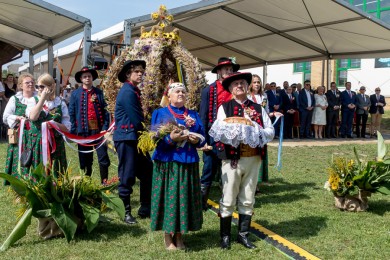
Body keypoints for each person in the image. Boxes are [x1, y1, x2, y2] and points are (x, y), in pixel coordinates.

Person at [209, 72, 274, 250]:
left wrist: (255, 127)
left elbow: (269, 132)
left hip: (252, 158)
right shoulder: (225, 107)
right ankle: (225, 237)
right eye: (236, 84)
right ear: (230, 88)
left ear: (248, 86)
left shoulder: (258, 108)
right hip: (232, 159)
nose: (240, 86)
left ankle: (243, 235)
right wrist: (238, 128)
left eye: (243, 83)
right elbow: (219, 131)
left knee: (248, 198)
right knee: (228, 198)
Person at [150, 82, 204, 250]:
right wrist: (171, 139)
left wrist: (196, 138)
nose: (181, 94)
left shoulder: (193, 114)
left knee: (183, 198)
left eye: (183, 91)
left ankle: (179, 235)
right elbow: (154, 140)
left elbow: (202, 136)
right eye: (177, 91)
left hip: (187, 160)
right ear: (169, 95)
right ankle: (167, 236)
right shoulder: (160, 113)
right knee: (168, 198)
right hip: (167, 161)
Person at [113, 60, 153, 224]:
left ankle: (145, 206)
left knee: (147, 170)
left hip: (134, 137)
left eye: (141, 72)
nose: (140, 74)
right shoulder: (128, 91)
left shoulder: (133, 90)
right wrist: (150, 134)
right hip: (127, 137)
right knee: (127, 174)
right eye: (137, 72)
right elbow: (137, 119)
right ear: (128, 74)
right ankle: (125, 211)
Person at [199, 57, 238, 211]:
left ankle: (227, 200)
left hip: (231, 135)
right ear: (219, 71)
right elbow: (202, 116)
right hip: (212, 135)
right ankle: (201, 201)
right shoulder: (209, 89)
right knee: (209, 168)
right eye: (226, 69)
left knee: (229, 169)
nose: (229, 71)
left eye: (231, 69)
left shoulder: (235, 89)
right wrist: (203, 141)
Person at [68, 67, 110, 182]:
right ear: (81, 79)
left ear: (92, 78)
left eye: (89, 76)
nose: (87, 78)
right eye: (85, 76)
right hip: (83, 132)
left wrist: (105, 128)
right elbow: (71, 112)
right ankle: (87, 181)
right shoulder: (75, 94)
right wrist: (74, 129)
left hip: (98, 132)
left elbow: (106, 111)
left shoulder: (99, 93)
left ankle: (104, 183)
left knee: (103, 158)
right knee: (85, 159)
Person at [27, 73, 71, 176]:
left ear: (51, 86)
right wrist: (42, 99)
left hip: (56, 143)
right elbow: (33, 117)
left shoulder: (60, 103)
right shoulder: (33, 100)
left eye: (42, 86)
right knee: (39, 173)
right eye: (37, 86)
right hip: (38, 143)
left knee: (56, 172)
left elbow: (67, 127)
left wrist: (55, 124)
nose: (39, 89)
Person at [3, 73, 37, 180]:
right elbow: (5, 117)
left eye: (32, 82)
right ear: (21, 85)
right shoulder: (15, 99)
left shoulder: (39, 97)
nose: (30, 84)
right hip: (19, 137)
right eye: (27, 82)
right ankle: (19, 186)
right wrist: (16, 117)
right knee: (19, 160)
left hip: (36, 136)